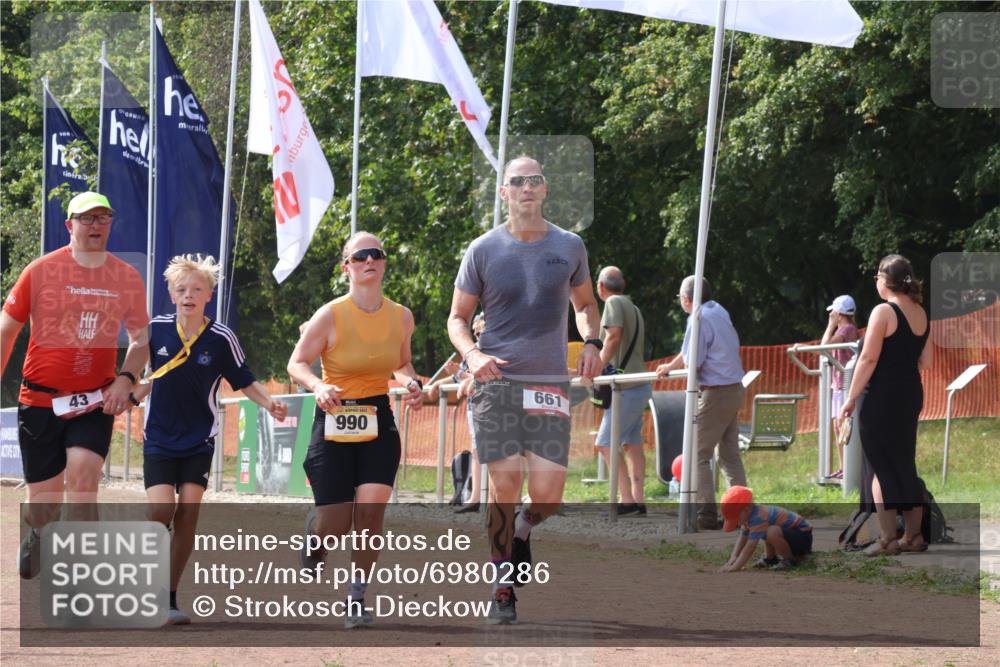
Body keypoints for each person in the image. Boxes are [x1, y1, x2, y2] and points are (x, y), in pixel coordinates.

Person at [448, 156, 602, 625]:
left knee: (549, 494)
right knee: (505, 482)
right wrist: (473, 357)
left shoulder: (570, 245)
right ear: (504, 193)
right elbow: (457, 318)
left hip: (550, 383)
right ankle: (501, 587)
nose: (527, 188)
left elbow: (586, 304)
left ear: (545, 189)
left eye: (534, 180)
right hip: (496, 383)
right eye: (517, 182)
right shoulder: (482, 249)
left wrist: (592, 341)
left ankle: (523, 528)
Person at [131, 254, 288, 625]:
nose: (189, 294)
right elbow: (133, 373)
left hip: (200, 437)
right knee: (159, 511)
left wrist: (269, 404)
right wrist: (127, 393)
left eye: (197, 289)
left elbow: (243, 378)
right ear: (170, 294)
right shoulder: (154, 329)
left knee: (188, 512)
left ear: (209, 295)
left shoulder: (221, 337)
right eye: (181, 289)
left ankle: (167, 598)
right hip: (158, 437)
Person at [0, 192, 149, 580]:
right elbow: (7, 331)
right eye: (87, 219)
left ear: (111, 224)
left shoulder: (126, 277)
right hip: (40, 399)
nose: (96, 225)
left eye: (103, 217)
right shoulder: (41, 270)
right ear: (70, 225)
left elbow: (140, 340)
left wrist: (125, 379)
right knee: (44, 507)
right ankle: (36, 532)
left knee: (84, 481)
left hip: (95, 400)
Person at [287, 232, 424, 628]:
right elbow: (297, 363)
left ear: (383, 263)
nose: (370, 260)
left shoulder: (401, 316)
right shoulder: (330, 314)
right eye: (360, 255)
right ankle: (315, 538)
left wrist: (411, 383)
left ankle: (356, 597)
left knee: (370, 515)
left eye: (377, 254)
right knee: (336, 524)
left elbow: (402, 363)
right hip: (333, 416)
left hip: (378, 418)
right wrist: (317, 385)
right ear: (347, 266)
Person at [842, 254, 932, 556]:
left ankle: (887, 538)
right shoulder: (921, 312)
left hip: (881, 396)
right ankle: (914, 537)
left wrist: (850, 399)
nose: (876, 283)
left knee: (880, 468)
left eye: (877, 277)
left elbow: (868, 359)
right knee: (905, 464)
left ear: (886, 280)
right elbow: (926, 361)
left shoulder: (883, 311)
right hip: (910, 394)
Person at [655, 276, 746, 531]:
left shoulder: (697, 318)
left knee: (696, 454)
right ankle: (743, 512)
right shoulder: (717, 310)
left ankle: (705, 514)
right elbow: (689, 352)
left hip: (716, 391)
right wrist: (671, 366)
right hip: (733, 387)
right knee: (729, 455)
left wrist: (679, 366)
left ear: (686, 299)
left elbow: (693, 360)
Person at [594, 266, 651, 516]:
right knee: (632, 443)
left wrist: (596, 366)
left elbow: (613, 337)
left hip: (625, 387)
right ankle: (638, 500)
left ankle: (626, 500)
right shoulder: (634, 308)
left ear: (600, 287)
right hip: (638, 382)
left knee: (605, 443)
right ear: (623, 284)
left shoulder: (613, 302)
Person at [427, 313, 486, 513]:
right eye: (476, 333)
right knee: (478, 451)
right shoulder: (473, 352)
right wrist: (437, 383)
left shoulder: (493, 350)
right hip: (475, 408)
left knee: (499, 453)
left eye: (481, 331)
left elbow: (472, 376)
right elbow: (458, 379)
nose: (478, 336)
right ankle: (476, 496)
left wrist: (459, 374)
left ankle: (490, 497)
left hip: (492, 406)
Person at [718, 485, 813, 572]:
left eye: (736, 520)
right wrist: (733, 557)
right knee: (768, 530)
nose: (737, 524)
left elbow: (750, 547)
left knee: (771, 531)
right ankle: (770, 559)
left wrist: (734, 568)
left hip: (803, 537)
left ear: (746, 510)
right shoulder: (748, 517)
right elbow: (743, 537)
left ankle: (789, 560)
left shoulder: (758, 517)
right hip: (792, 536)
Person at [822, 295, 859, 479]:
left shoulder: (846, 330)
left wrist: (830, 326)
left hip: (845, 385)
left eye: (833, 313)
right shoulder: (848, 329)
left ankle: (848, 469)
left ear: (838, 314)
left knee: (842, 426)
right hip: (839, 385)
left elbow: (825, 346)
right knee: (839, 427)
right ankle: (844, 467)